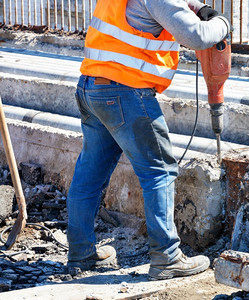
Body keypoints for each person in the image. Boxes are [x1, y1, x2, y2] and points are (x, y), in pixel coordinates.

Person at [66, 0, 230, 280]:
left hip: (92, 86)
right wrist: (223, 24)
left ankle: (81, 254)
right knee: (160, 171)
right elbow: (196, 36)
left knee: (89, 175)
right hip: (125, 92)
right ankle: (167, 258)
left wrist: (195, 6)